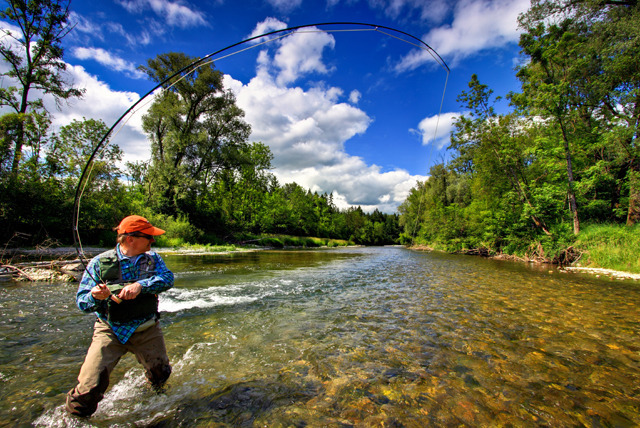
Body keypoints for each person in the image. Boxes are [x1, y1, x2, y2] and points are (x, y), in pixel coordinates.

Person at [66, 215, 174, 417]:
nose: (153, 241)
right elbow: (82, 302)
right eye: (149, 237)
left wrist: (141, 285)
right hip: (109, 330)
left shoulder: (154, 259)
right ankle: (75, 419)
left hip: (146, 328)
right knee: (89, 387)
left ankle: (158, 402)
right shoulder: (99, 263)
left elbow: (168, 279)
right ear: (130, 238)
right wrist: (94, 296)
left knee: (161, 374)